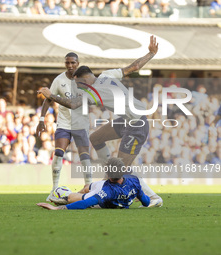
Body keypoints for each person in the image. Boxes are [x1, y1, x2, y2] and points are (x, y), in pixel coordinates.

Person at [38, 36, 163, 207]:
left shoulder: (90, 92)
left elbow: (74, 104)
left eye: (78, 84)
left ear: (84, 79)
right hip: (126, 120)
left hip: (137, 124)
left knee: (122, 170)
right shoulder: (107, 74)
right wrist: (150, 53)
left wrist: (51, 96)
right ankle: (109, 171)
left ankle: (154, 198)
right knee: (96, 138)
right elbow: (134, 67)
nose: (79, 87)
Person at [36, 52, 92, 201]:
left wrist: (51, 96)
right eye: (67, 63)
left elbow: (73, 104)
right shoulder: (59, 80)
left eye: (73, 63)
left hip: (80, 123)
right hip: (64, 123)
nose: (70, 65)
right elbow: (47, 100)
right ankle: (54, 190)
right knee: (58, 153)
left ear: (78, 63)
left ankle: (89, 187)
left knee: (84, 156)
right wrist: (41, 118)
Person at [37, 157, 152, 210]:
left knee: (74, 197)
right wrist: (136, 194)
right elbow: (146, 202)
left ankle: (66, 196)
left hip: (104, 195)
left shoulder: (107, 192)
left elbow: (86, 203)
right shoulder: (134, 180)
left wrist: (57, 209)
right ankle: (78, 192)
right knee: (87, 187)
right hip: (108, 185)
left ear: (108, 174)